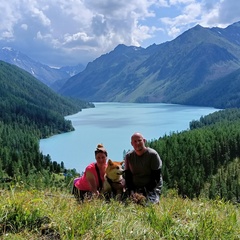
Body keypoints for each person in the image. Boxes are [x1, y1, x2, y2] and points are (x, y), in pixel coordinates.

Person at [124, 132, 163, 204]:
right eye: (135, 141)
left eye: (139, 140)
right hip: (136, 187)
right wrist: (132, 191)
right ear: (132, 144)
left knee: (149, 205)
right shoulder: (129, 156)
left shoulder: (152, 155)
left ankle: (155, 198)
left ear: (144, 141)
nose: (137, 143)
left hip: (152, 187)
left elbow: (156, 177)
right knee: (127, 204)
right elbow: (128, 176)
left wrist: (144, 191)